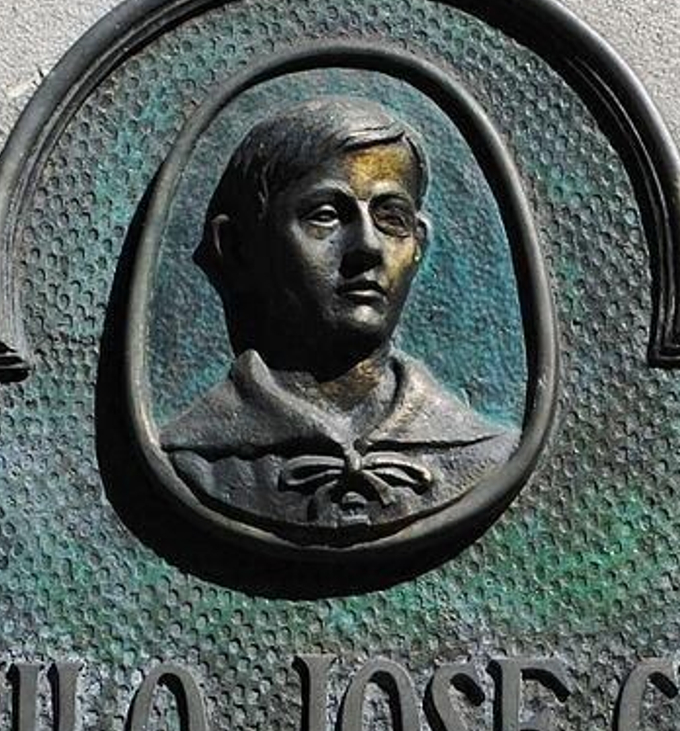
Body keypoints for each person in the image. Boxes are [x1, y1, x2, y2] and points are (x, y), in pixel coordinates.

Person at [159, 96, 518, 541]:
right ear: (237, 248)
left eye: (391, 217)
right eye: (325, 215)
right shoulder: (197, 455)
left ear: (418, 244)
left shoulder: (479, 451)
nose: (367, 245)